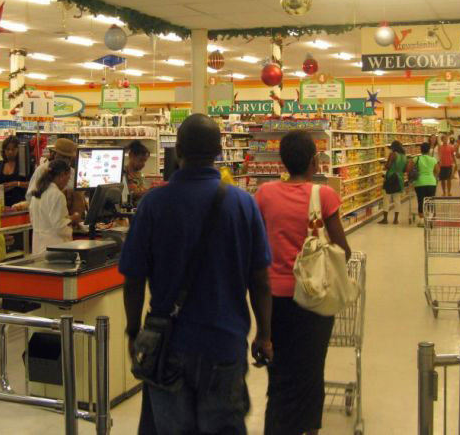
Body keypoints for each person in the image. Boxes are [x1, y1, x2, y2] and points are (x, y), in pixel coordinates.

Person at [119, 114, 273, 435]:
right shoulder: (243, 204)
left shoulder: (153, 204)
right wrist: (264, 333)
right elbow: (260, 279)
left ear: (178, 151)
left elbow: (133, 277)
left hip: (168, 346)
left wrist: (133, 330)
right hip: (224, 344)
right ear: (219, 151)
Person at [255, 129, 351, 435]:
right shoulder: (324, 196)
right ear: (314, 162)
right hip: (313, 298)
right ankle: (309, 429)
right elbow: (343, 250)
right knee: (310, 371)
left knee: (279, 373)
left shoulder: (264, 194)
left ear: (282, 161)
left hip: (273, 300)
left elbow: (258, 243)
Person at [26, 137, 85, 222]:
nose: (65, 160)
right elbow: (30, 196)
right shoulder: (42, 170)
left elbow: (80, 196)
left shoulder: (73, 173)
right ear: (54, 155)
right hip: (48, 219)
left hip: (69, 220)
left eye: (68, 158)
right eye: (62, 156)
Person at [29, 159, 76, 254]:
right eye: (68, 178)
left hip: (38, 246)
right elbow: (59, 226)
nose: (67, 182)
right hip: (55, 247)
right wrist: (72, 219)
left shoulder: (37, 193)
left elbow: (34, 219)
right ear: (62, 175)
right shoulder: (57, 195)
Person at [407, 141, 440, 226]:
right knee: (430, 201)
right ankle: (431, 218)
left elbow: (408, 169)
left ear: (420, 150)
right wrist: (432, 175)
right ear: (429, 150)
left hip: (420, 182)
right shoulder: (433, 159)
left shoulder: (416, 159)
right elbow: (437, 171)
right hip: (431, 182)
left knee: (421, 200)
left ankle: (422, 220)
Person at [0, 135, 28, 207]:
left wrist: (16, 184)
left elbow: (32, 185)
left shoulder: (24, 165)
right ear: (4, 150)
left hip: (19, 205)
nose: (10, 152)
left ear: (18, 150)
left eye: (13, 149)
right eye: (7, 149)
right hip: (2, 204)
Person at [379, 140, 407, 225]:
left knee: (386, 199)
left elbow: (388, 166)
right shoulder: (404, 156)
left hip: (391, 178)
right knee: (397, 199)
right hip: (399, 179)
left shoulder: (393, 154)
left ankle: (385, 219)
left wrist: (384, 165)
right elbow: (404, 169)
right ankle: (396, 220)